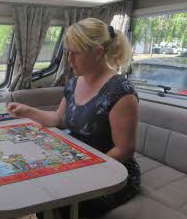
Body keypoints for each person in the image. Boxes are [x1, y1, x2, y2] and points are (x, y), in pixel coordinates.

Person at [8, 18, 140, 218]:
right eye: (67, 52)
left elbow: (125, 150)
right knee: (40, 192)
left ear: (97, 52)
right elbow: (58, 118)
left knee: (58, 202)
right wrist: (27, 111)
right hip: (76, 162)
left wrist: (83, 171)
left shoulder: (121, 92)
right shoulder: (73, 83)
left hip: (112, 173)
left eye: (75, 53)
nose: (69, 59)